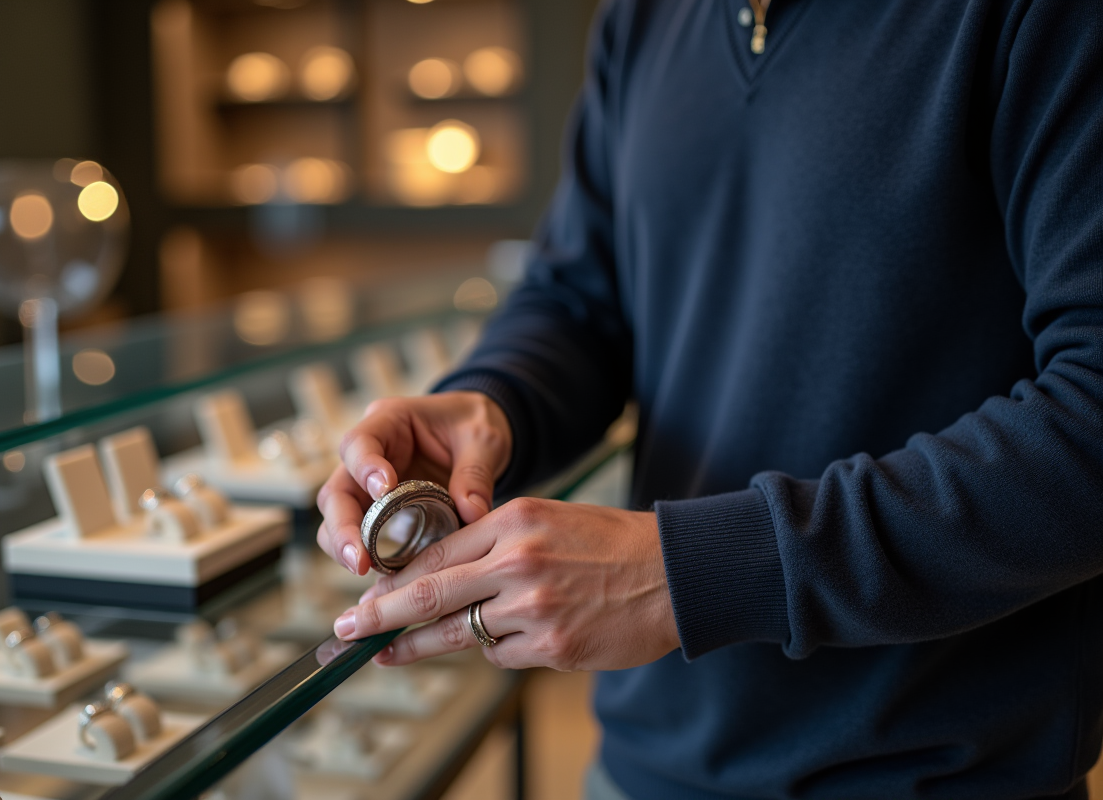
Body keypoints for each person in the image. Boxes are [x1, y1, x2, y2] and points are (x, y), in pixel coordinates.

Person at [316, 0, 1103, 797]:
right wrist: (493, 401)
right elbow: (580, 297)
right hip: (643, 764)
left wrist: (688, 573)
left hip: (934, 772)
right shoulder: (643, 18)